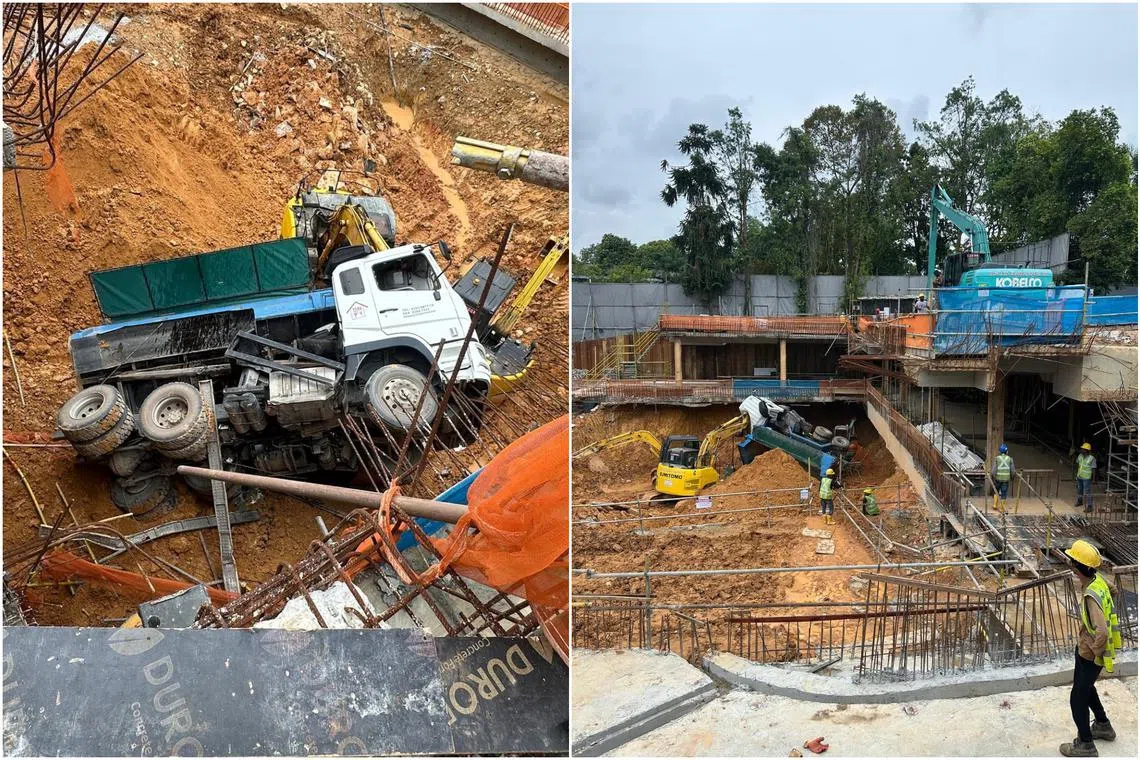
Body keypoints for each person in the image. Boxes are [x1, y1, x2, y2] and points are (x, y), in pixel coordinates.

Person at [1059, 539, 1121, 757]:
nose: (1071, 566)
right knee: (1086, 687)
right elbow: (1114, 591)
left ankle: (1085, 743)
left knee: (1077, 697)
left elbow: (1102, 631)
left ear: (1078, 568)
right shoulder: (1098, 581)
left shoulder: (1090, 595)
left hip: (1090, 653)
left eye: (1073, 563)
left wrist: (1094, 652)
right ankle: (1103, 725)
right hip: (1087, 649)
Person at [992, 443, 1015, 511]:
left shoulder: (997, 458)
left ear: (999, 451)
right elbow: (1013, 470)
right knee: (1004, 492)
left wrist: (994, 477)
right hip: (1006, 479)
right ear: (1007, 451)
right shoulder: (1010, 459)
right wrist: (1012, 477)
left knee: (996, 491)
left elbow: (993, 470)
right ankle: (1002, 508)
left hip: (998, 479)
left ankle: (995, 505)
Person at [1075, 443, 1097, 513]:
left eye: (1082, 449)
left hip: (1087, 478)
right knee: (1079, 490)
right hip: (1079, 476)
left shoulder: (1092, 458)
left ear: (1086, 450)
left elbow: (1094, 469)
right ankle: (1080, 501)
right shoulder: (1080, 456)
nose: (1081, 450)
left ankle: (1090, 506)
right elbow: (1077, 463)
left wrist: (1093, 479)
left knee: (1087, 492)